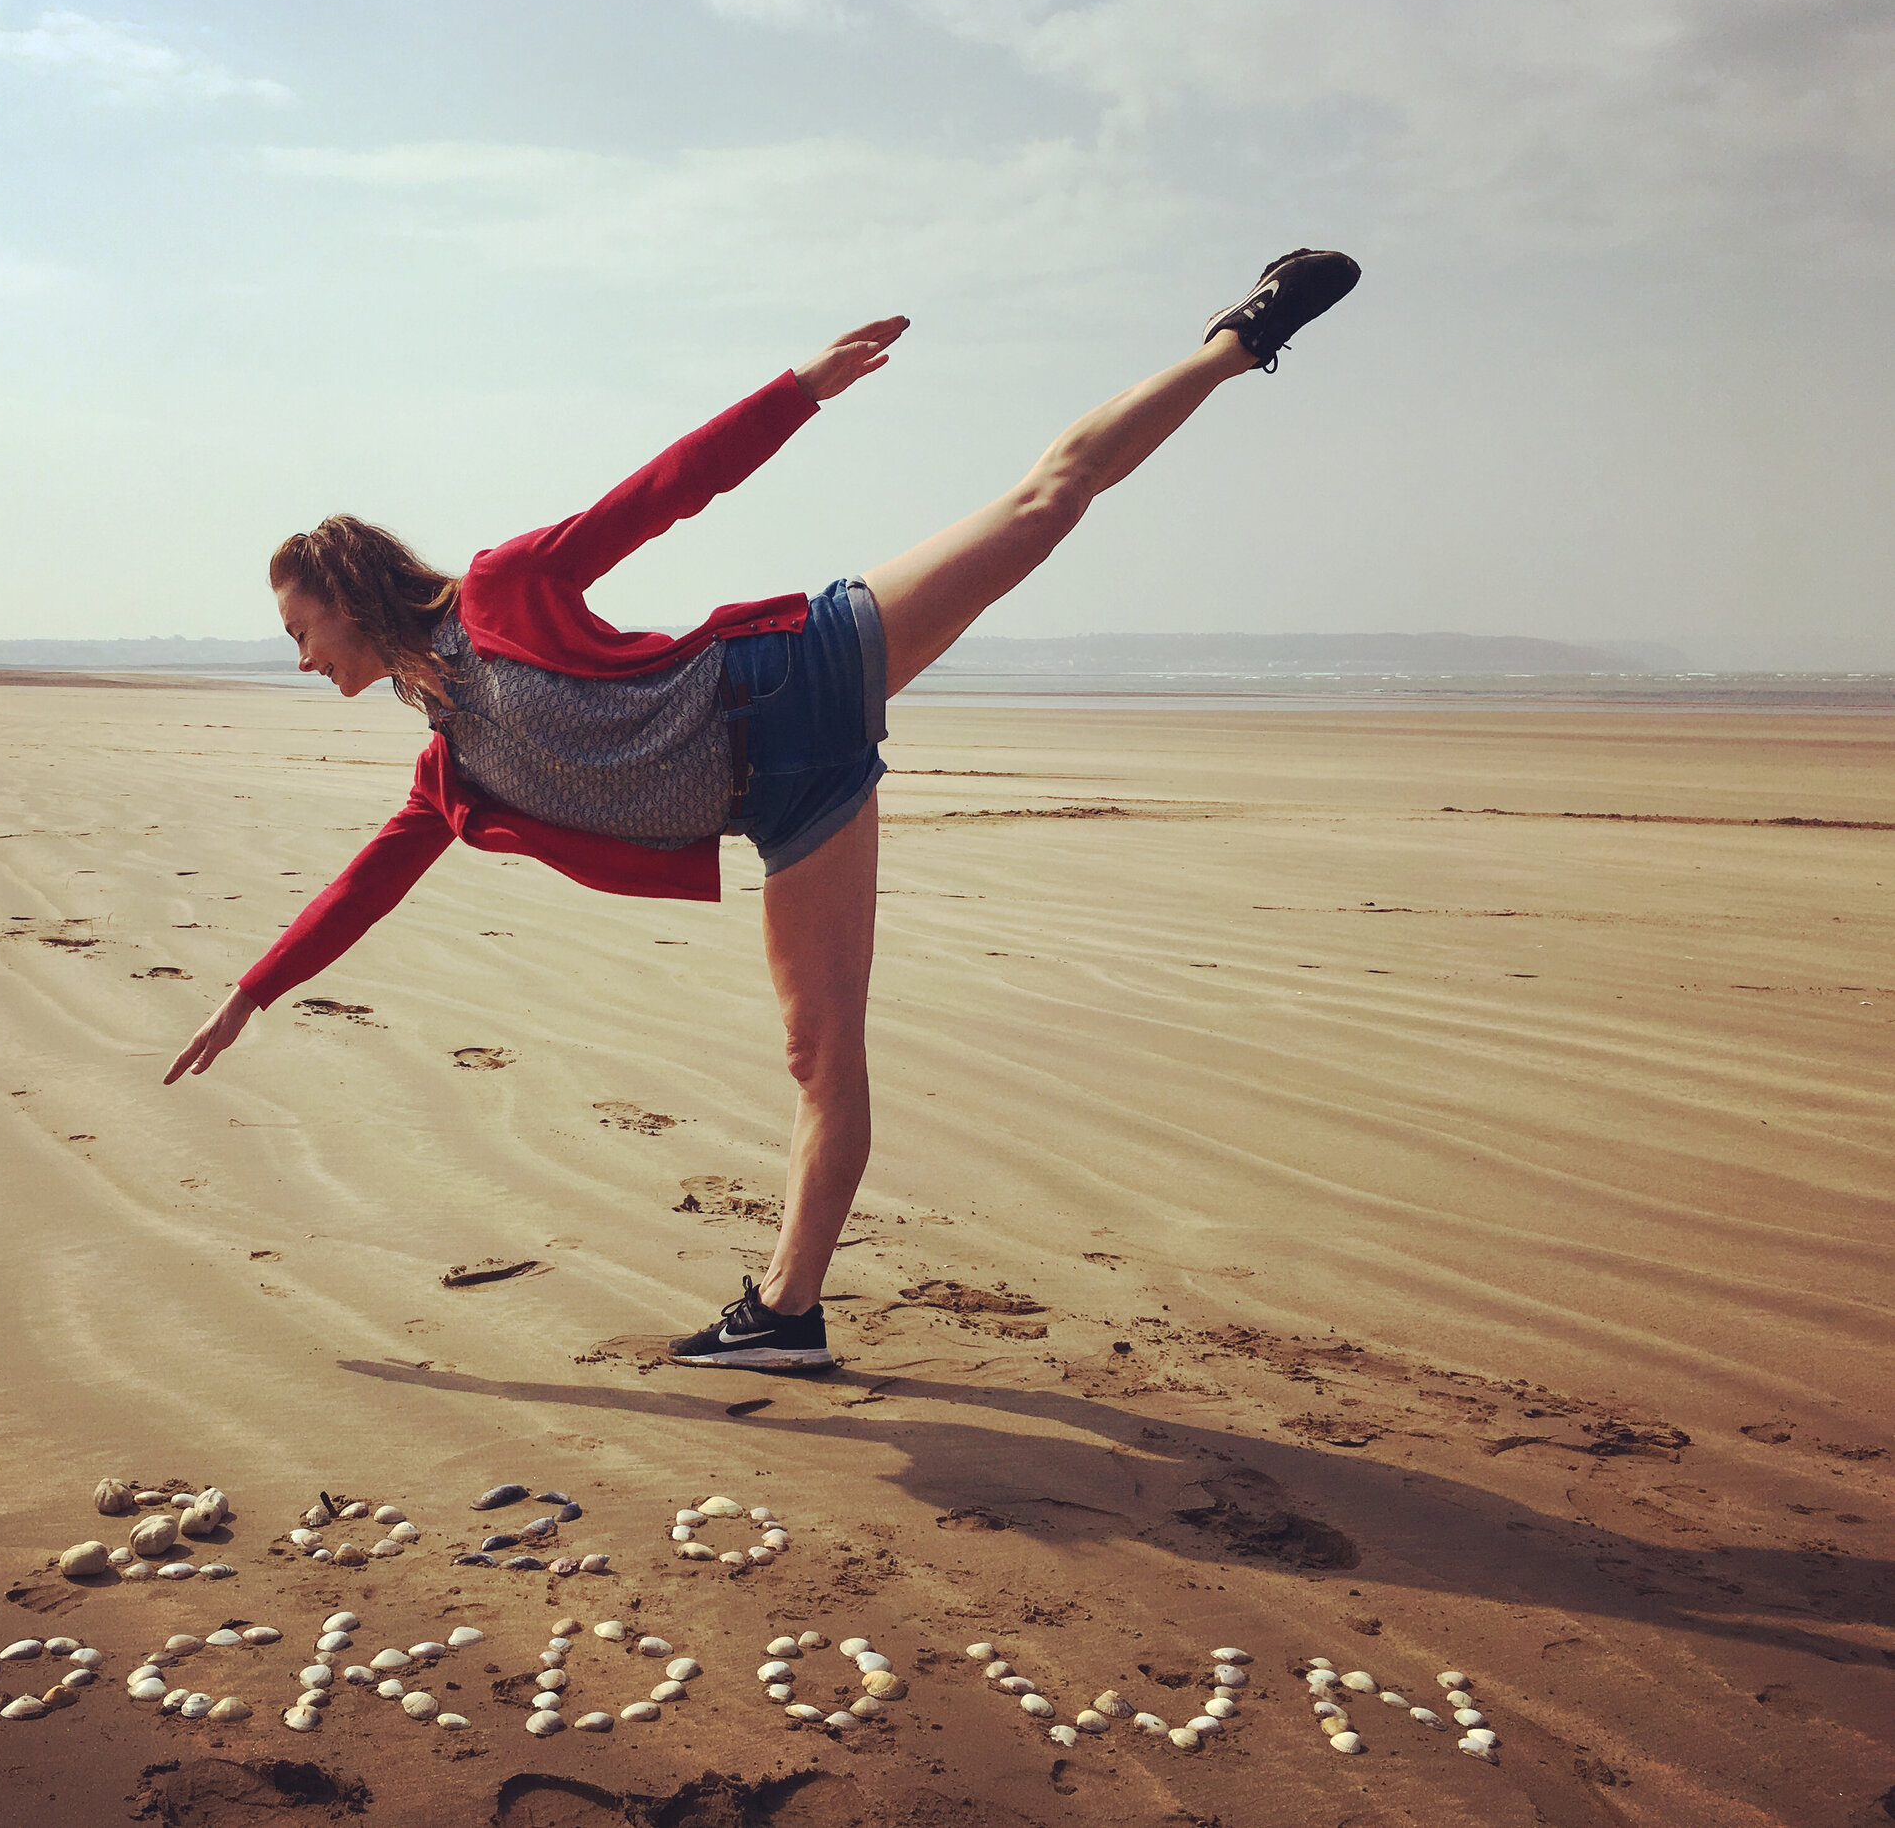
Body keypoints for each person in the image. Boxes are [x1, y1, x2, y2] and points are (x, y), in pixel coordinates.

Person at [165, 250, 1361, 1370]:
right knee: (817, 1053)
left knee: (1048, 500)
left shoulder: (499, 590)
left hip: (802, 666)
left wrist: (801, 389)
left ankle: (1232, 341)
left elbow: (654, 497)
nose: (300, 658)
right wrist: (251, 990)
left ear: (338, 590)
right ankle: (786, 1317)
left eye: (298, 631)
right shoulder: (449, 769)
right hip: (795, 802)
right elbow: (366, 883)